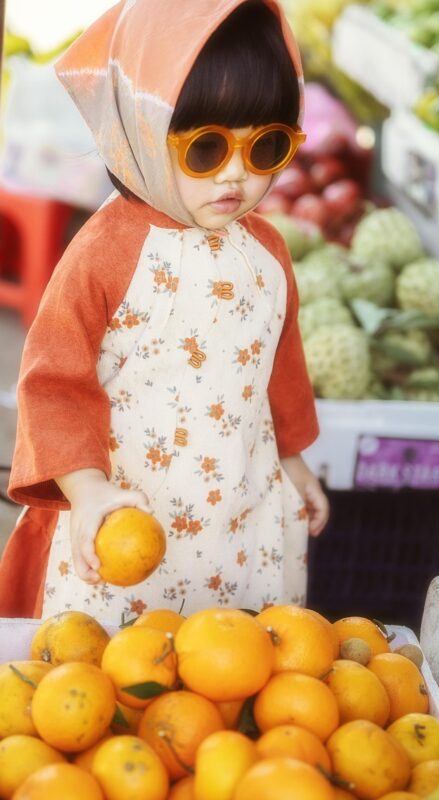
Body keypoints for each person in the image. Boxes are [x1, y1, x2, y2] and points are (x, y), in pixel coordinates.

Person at [0, 0, 329, 623]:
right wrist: (88, 491)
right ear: (142, 131)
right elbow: (53, 384)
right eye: (205, 148)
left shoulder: (266, 251)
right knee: (107, 674)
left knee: (227, 665)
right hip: (127, 512)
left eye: (267, 146)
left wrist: (292, 459)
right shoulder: (105, 252)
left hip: (239, 508)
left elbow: (280, 362)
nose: (235, 175)